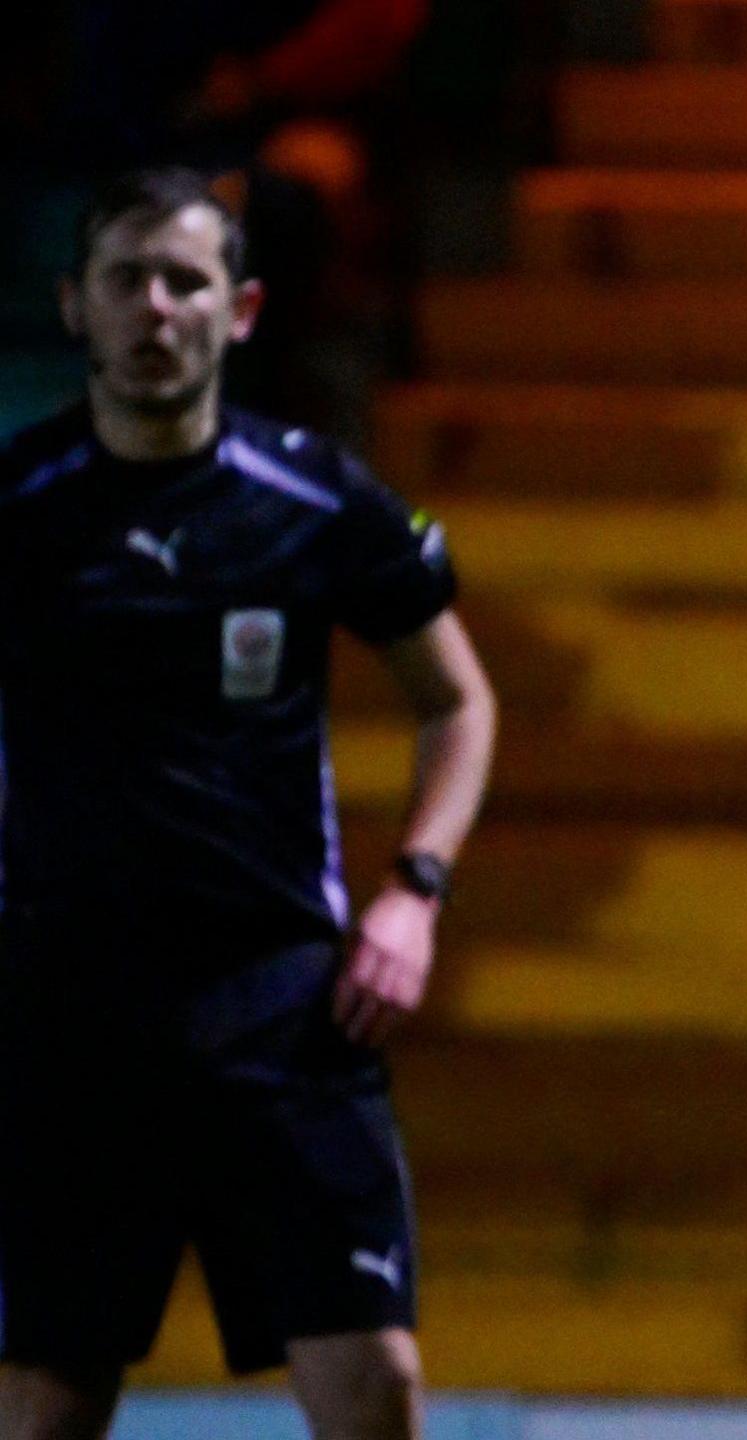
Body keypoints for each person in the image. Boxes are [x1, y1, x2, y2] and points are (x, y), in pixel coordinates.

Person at [0, 168, 497, 1440]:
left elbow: (461, 704)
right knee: (42, 1403)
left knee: (376, 1382)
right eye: (125, 281)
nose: (154, 309)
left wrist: (415, 894)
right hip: (68, 1014)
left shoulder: (318, 501)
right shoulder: (19, 510)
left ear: (245, 309)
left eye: (185, 281)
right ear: (74, 306)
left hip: (281, 1008)